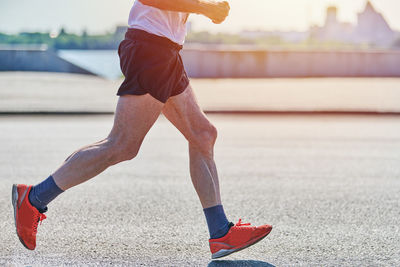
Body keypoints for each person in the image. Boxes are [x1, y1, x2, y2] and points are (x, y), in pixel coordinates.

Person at [12, 0, 272, 259]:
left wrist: (208, 6)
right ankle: (34, 198)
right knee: (121, 144)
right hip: (151, 50)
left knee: (203, 134)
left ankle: (220, 233)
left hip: (165, 50)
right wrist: (204, 8)